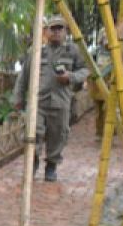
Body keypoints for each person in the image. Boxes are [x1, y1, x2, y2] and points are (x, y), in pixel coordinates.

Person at [14, 14, 89, 181]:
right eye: (52, 29)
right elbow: (23, 77)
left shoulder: (73, 51)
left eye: (59, 28)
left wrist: (70, 77)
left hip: (61, 102)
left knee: (58, 136)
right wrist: (18, 99)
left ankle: (51, 166)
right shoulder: (36, 52)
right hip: (38, 103)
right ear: (46, 31)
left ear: (65, 31)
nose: (56, 32)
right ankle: (31, 165)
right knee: (33, 134)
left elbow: (85, 70)